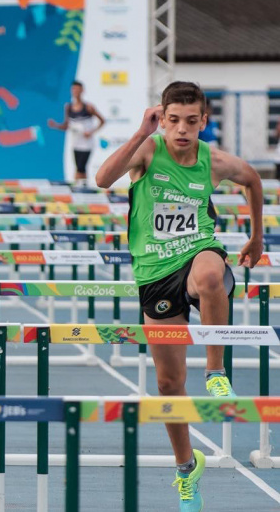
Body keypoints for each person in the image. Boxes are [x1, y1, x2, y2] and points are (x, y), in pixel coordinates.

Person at [95, 81, 263, 512]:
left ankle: (216, 369)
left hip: (199, 254)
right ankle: (187, 468)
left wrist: (256, 236)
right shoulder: (148, 151)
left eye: (192, 121)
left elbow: (253, 180)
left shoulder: (215, 162)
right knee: (169, 384)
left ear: (204, 121)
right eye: (173, 121)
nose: (182, 130)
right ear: (162, 119)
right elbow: (102, 179)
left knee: (209, 277)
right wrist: (140, 131)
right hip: (154, 273)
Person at [47, 81, 105, 185]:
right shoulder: (68, 107)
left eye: (78, 89)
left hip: (87, 144)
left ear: (82, 91)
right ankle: (81, 187)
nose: (75, 91)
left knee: (81, 168)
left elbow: (102, 121)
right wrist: (55, 125)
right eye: (73, 89)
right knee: (78, 168)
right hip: (76, 143)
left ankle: (79, 189)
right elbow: (66, 126)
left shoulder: (88, 107)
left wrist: (91, 132)